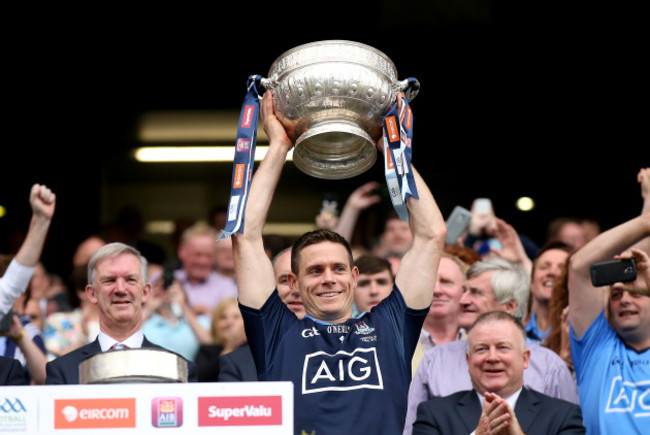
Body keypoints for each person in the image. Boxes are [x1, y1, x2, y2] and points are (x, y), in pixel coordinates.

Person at [232, 90, 447, 435]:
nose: (329, 278)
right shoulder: (276, 331)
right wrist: (278, 147)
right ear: (293, 283)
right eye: (314, 271)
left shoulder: (391, 326)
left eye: (338, 268)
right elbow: (245, 237)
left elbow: (432, 234)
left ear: (355, 276)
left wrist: (391, 148)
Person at [404, 257, 579, 435]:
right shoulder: (435, 359)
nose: (463, 300)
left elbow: (564, 422)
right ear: (468, 359)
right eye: (464, 291)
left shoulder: (550, 366)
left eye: (475, 293)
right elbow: (411, 429)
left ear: (510, 306)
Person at [45, 243, 197, 384]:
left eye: (130, 280)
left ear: (146, 292)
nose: (120, 289)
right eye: (109, 280)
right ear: (92, 294)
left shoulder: (178, 370)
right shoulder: (62, 371)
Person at [412, 311, 585, 435]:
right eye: (481, 349)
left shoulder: (562, 416)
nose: (492, 357)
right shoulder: (435, 414)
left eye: (503, 347)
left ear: (525, 359)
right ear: (468, 360)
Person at [567, 211, 650, 434]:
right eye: (616, 295)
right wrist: (646, 221)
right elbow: (579, 267)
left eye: (637, 294)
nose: (624, 300)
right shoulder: (597, 346)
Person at [218, 247, 301, 382]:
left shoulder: (345, 354)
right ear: (271, 288)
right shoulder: (237, 364)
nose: (296, 290)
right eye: (285, 280)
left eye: (304, 279)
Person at [411, 251, 468, 374]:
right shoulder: (394, 344)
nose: (436, 290)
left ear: (465, 290)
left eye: (446, 281)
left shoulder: (481, 341)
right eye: (428, 282)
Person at [142, 262, 211, 362]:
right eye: (160, 287)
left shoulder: (198, 321)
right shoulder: (145, 323)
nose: (167, 291)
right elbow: (126, 335)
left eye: (174, 288)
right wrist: (149, 307)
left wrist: (184, 307)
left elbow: (210, 345)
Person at [173, 222, 238, 316]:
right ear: (181, 251)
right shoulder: (163, 281)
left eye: (208, 255)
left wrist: (211, 315)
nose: (203, 261)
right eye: (197, 254)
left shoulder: (226, 287)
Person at [524, 241, 573, 344]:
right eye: (544, 267)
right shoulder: (515, 331)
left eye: (562, 268)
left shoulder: (578, 334)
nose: (552, 272)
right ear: (532, 283)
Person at [195, 297, 247, 382]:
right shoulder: (206, 351)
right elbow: (200, 379)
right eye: (223, 317)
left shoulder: (255, 351)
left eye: (236, 317)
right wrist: (230, 348)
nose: (229, 322)